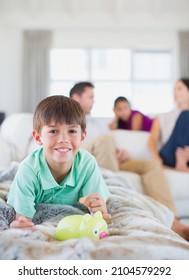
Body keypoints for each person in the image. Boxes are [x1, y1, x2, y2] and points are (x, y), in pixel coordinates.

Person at [70, 81, 189, 241]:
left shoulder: (98, 123)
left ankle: (172, 219)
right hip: (85, 159)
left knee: (150, 165)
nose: (94, 101)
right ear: (76, 97)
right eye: (90, 97)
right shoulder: (66, 118)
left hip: (110, 160)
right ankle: (112, 190)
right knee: (105, 140)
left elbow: (111, 145)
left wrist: (120, 152)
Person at [7, 95, 111, 230]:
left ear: (82, 137)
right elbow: (23, 219)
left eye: (72, 131)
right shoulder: (28, 169)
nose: (63, 139)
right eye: (53, 131)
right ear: (38, 138)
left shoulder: (87, 163)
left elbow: (96, 211)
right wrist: (22, 225)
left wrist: (99, 211)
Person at [148, 78, 189, 172]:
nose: (175, 92)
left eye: (179, 88)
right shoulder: (162, 117)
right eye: (174, 89)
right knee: (186, 114)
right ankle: (181, 164)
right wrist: (157, 159)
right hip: (170, 155)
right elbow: (151, 140)